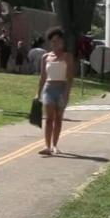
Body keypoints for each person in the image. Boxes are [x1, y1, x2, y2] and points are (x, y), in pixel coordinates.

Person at [36, 27, 74, 155]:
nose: (55, 43)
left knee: (58, 118)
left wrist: (66, 93)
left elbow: (70, 77)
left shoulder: (67, 56)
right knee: (49, 119)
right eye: (53, 41)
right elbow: (42, 77)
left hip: (61, 88)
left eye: (58, 41)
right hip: (49, 89)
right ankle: (47, 146)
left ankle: (55, 145)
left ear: (62, 42)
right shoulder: (45, 57)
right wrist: (38, 93)